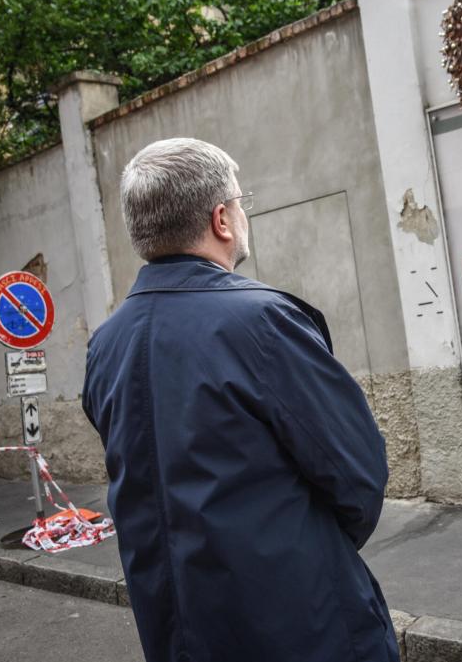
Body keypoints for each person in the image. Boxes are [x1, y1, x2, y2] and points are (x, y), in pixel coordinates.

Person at [82, 138, 397, 662]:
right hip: (300, 626)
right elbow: (358, 474)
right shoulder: (263, 322)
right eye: (240, 200)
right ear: (221, 219)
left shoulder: (106, 343)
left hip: (176, 625)